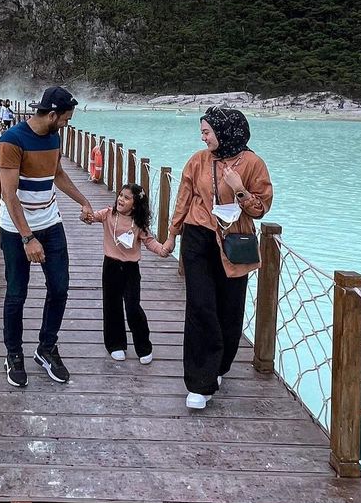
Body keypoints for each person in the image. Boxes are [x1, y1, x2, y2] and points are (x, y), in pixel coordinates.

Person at [162, 107, 273, 410]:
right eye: (203, 131)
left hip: (234, 241)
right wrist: (173, 233)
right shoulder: (198, 160)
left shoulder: (252, 163)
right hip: (197, 236)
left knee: (230, 308)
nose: (203, 136)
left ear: (226, 131)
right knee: (200, 306)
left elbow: (261, 209)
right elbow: (184, 197)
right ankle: (199, 383)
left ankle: (219, 365)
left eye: (207, 131)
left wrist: (239, 189)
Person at [0, 86, 94, 388]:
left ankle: (46, 347)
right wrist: (28, 238)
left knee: (60, 287)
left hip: (50, 222)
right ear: (52, 114)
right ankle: (14, 354)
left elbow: (58, 174)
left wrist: (84, 201)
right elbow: (9, 195)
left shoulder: (54, 136)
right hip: (16, 229)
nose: (67, 123)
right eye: (65, 118)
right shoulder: (11, 140)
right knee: (16, 293)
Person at [83, 183, 168, 364]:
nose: (121, 199)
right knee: (112, 305)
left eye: (126, 198)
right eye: (120, 195)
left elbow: (150, 241)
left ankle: (143, 346)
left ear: (135, 204)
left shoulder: (138, 224)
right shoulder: (108, 214)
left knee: (132, 307)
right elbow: (91, 217)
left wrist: (162, 250)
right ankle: (115, 344)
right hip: (111, 266)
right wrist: (86, 215)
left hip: (131, 269)